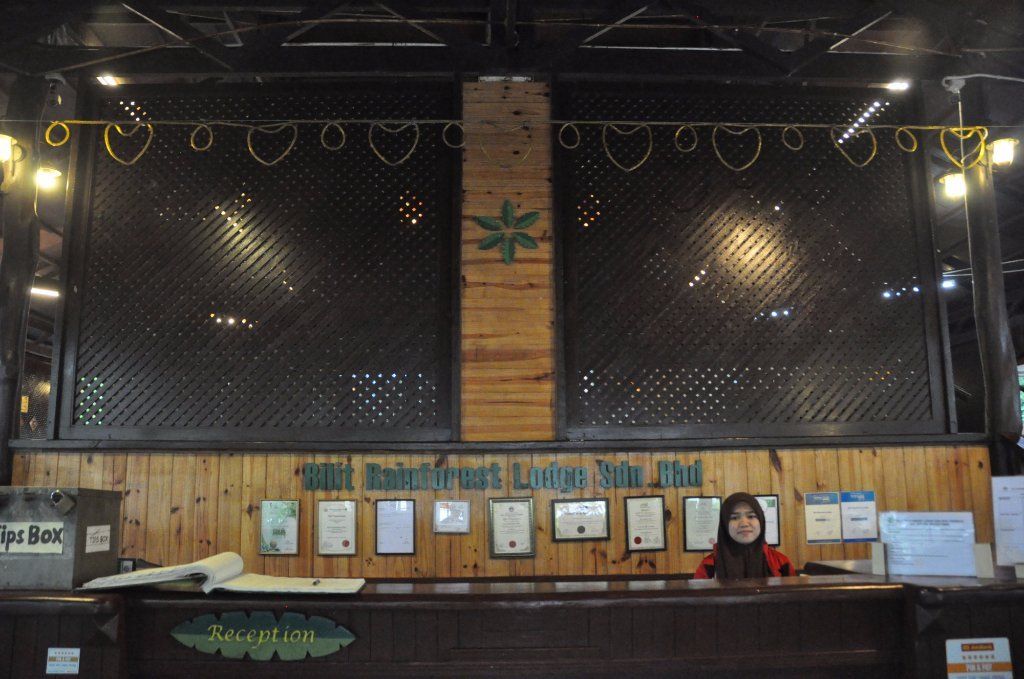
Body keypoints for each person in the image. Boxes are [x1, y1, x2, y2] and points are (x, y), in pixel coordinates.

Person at [693, 492, 796, 580]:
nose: (744, 523)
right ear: (724, 524)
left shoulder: (781, 562)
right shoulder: (709, 565)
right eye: (734, 517)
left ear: (761, 520)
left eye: (751, 516)